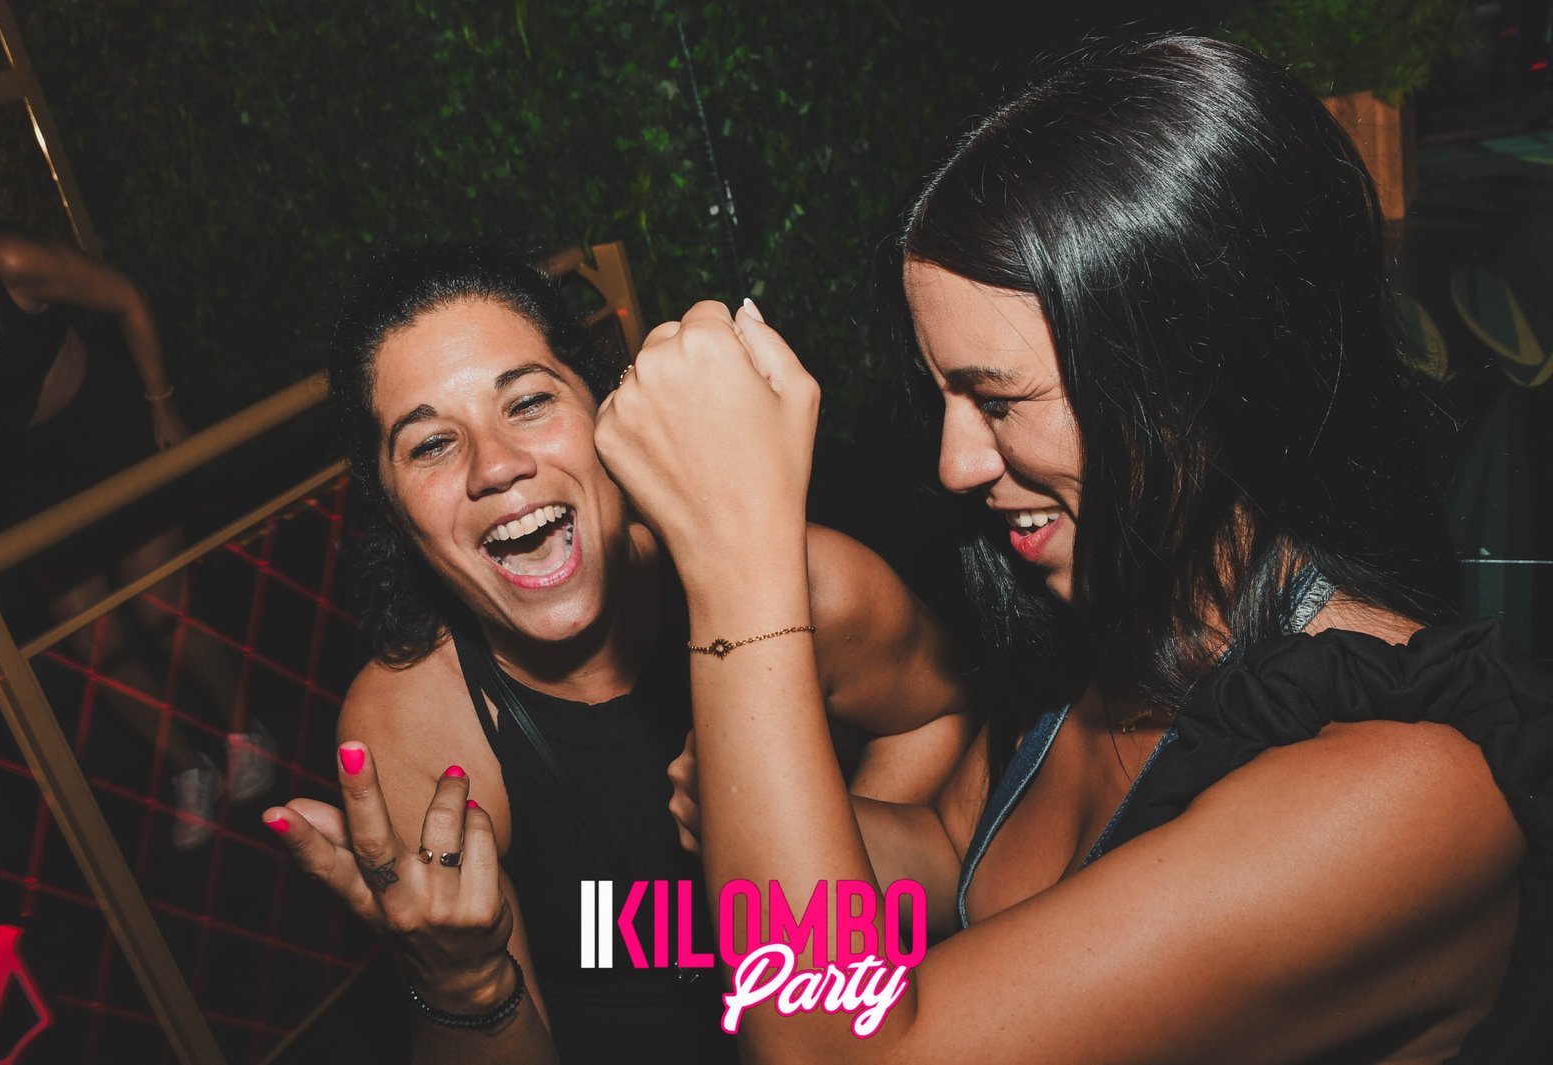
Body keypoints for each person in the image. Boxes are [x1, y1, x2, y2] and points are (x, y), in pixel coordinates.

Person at [598, 36, 1552, 1065]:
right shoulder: (1117, 612)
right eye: (944, 396)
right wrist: (764, 806)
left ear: (1196, 377)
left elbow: (843, 1051)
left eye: (997, 399)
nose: (956, 463)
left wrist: (738, 565)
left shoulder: (1403, 791)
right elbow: (971, 857)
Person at [263, 243, 975, 1063]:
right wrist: (468, 987)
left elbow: (945, 715)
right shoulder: (419, 725)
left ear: (607, 410)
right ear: (395, 514)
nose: (496, 465)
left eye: (528, 401)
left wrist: (815, 851)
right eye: (430, 445)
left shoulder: (792, 586)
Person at [0, 188, 273, 848]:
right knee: (95, 648)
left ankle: (246, 731)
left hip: (101, 439)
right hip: (25, 484)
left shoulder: (6, 260)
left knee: (163, 616)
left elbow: (126, 296)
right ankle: (189, 767)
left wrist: (162, 403)